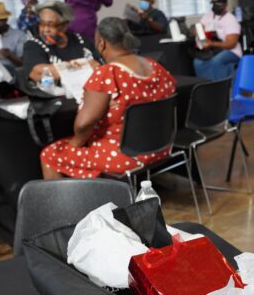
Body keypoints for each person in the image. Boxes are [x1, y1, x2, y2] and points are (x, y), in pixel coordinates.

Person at [40, 17, 175, 179]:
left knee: (49, 154)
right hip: (161, 147)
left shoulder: (108, 74)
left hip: (125, 155)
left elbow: (84, 124)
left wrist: (76, 142)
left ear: (101, 43)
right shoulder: (155, 65)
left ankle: (71, 203)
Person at [22, 1, 99, 86]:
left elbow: (98, 66)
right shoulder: (33, 45)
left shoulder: (82, 41)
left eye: (51, 25)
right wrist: (83, 65)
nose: (45, 30)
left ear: (65, 25)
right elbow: (39, 73)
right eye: (42, 24)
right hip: (54, 97)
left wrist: (60, 70)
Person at [191, 0, 242, 82]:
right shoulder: (209, 15)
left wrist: (211, 44)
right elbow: (198, 29)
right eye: (214, 4)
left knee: (216, 61)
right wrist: (201, 38)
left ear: (225, 5)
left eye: (219, 4)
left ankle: (220, 89)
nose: (216, 6)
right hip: (213, 49)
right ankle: (205, 87)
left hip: (231, 51)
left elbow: (231, 44)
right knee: (197, 62)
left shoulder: (231, 19)